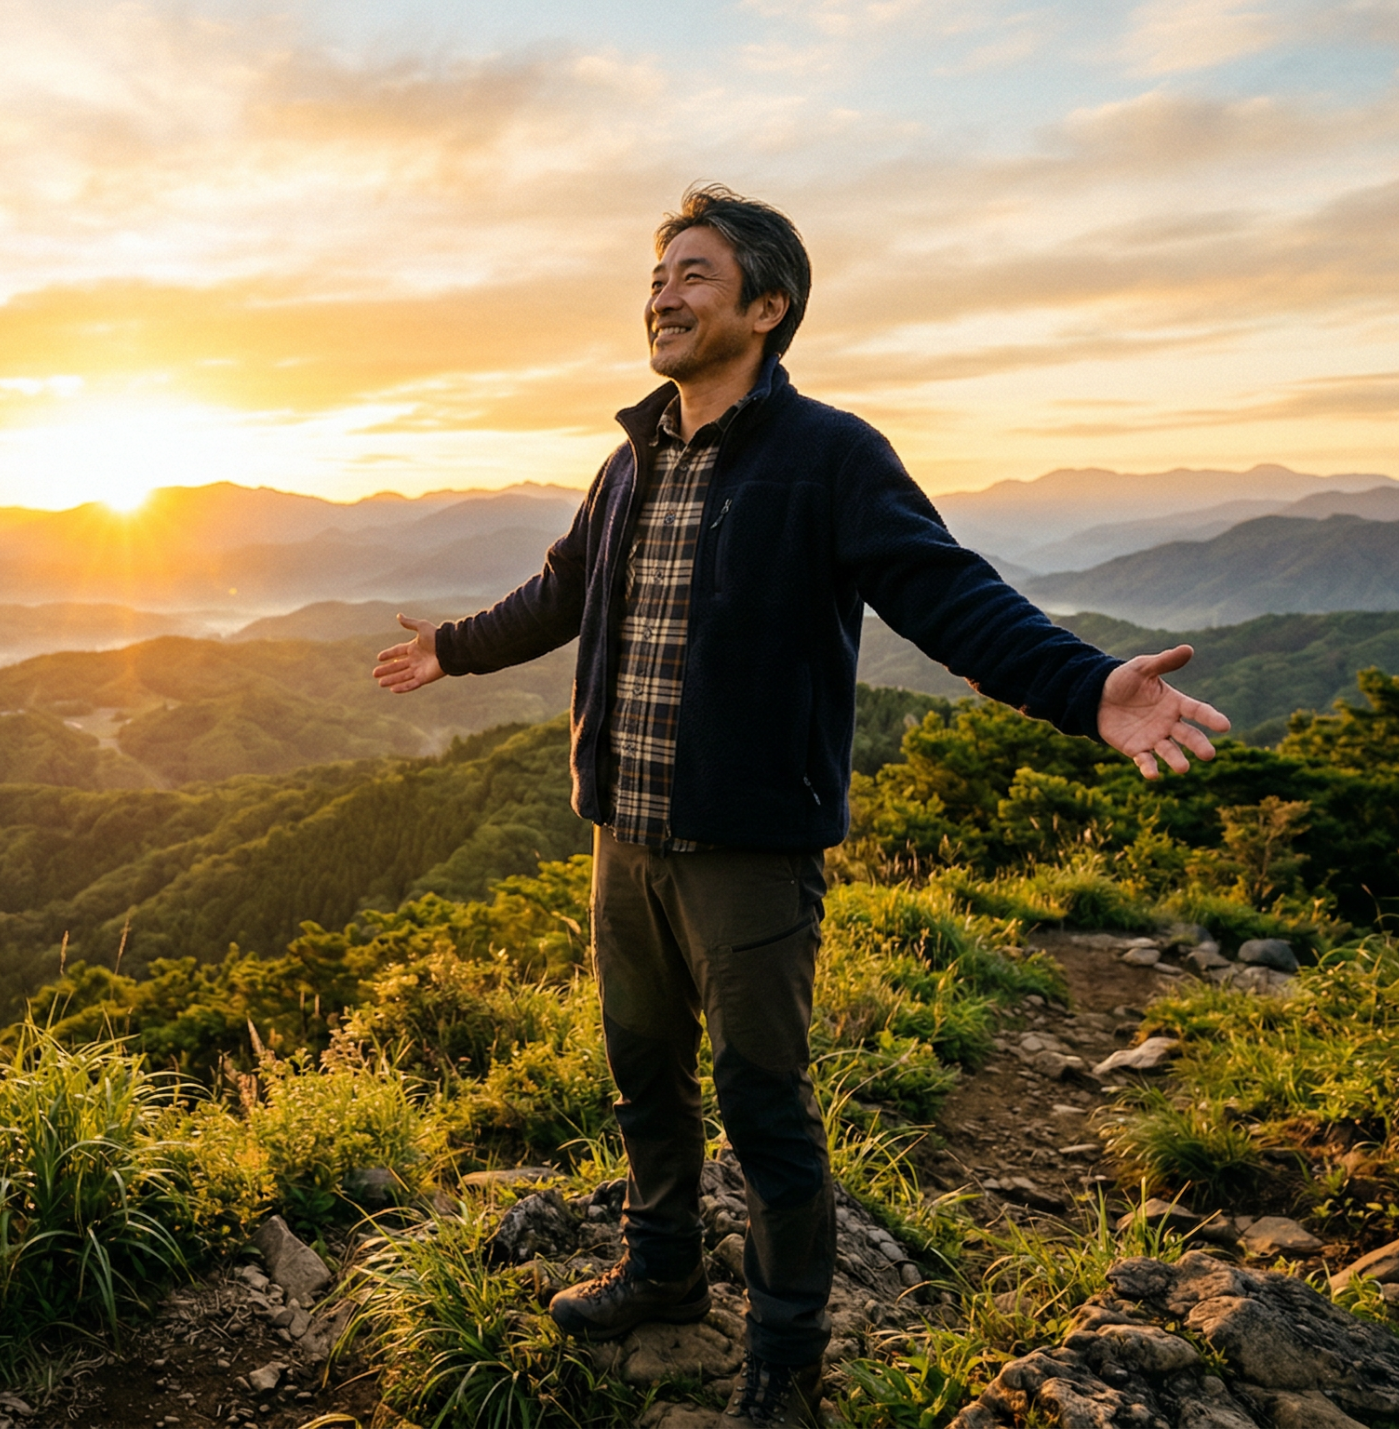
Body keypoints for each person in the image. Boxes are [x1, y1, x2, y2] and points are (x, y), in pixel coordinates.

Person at [371, 185, 1229, 1427]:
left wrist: (1083, 685)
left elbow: (944, 591)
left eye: (694, 274)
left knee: (762, 1102)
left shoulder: (828, 455)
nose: (662, 295)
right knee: (643, 1075)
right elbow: (560, 589)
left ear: (767, 306)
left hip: (750, 850)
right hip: (623, 836)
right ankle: (662, 1271)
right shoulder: (630, 460)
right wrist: (452, 646)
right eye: (655, 276)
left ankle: (785, 1360)